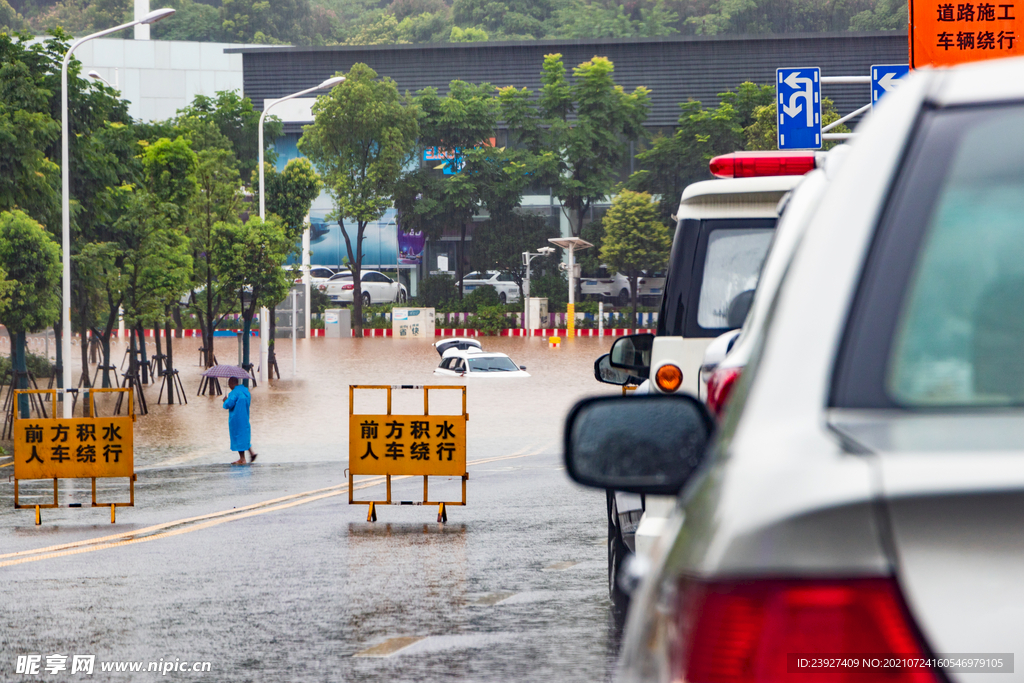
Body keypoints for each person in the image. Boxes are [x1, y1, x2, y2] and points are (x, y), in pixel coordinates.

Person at [222, 377, 256, 464]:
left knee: (238, 438)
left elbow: (228, 405)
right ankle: (252, 453)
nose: (229, 386)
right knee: (244, 436)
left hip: (236, 419)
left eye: (229, 384)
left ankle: (242, 459)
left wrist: (225, 401)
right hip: (245, 417)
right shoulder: (246, 392)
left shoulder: (234, 393)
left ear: (232, 383)